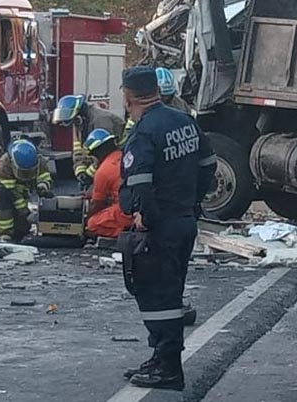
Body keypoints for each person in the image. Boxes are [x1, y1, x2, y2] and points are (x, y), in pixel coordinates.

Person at [118, 67, 216, 391]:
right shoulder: (184, 121)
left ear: (128, 97)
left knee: (157, 296)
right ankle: (161, 357)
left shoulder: (144, 132)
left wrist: (145, 216)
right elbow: (209, 164)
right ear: (156, 92)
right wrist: (194, 200)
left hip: (160, 226)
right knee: (171, 293)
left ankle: (169, 367)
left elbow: (140, 182)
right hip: (184, 220)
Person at [0, 139, 54, 241]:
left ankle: (9, 228)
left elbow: (44, 175)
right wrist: (26, 213)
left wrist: (43, 186)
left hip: (18, 192)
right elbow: (14, 195)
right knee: (5, 202)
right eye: (23, 173)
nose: (26, 176)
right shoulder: (2, 167)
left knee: (22, 230)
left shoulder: (39, 161)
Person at [52, 94, 125, 187]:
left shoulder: (100, 120)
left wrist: (89, 175)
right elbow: (79, 151)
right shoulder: (79, 123)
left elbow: (104, 154)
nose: (71, 125)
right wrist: (80, 172)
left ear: (79, 116)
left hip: (119, 158)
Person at [83, 129, 133, 238]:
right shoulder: (125, 156)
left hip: (127, 211)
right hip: (140, 206)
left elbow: (97, 204)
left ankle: (127, 233)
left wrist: (85, 220)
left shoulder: (103, 171)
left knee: (93, 224)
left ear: (97, 152)